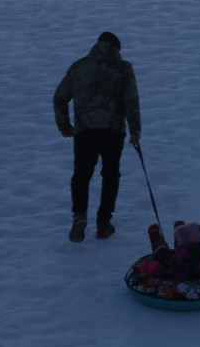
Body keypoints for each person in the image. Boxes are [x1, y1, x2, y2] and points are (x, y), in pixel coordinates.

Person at [53, 32, 141, 242]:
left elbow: (59, 97)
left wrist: (64, 125)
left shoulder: (78, 67)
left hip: (85, 131)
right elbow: (131, 100)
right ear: (116, 48)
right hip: (113, 130)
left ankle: (79, 215)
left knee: (81, 174)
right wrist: (135, 129)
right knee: (110, 174)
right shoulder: (123, 67)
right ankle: (103, 223)